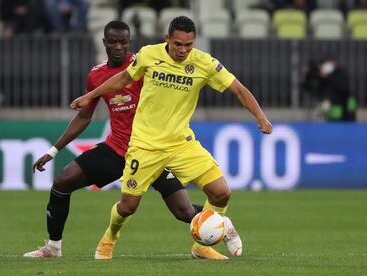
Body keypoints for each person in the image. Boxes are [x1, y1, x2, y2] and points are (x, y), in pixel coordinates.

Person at [70, 16, 273, 260]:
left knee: (221, 193)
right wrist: (90, 95)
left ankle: (200, 246)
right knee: (128, 207)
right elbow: (124, 79)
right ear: (167, 39)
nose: (183, 50)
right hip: (145, 145)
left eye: (188, 45)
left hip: (180, 144)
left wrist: (260, 117)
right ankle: (110, 238)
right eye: (178, 44)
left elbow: (238, 89)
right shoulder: (148, 55)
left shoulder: (205, 63)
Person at [23, 20, 227, 260]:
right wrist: (53, 150)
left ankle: (224, 226)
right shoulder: (97, 75)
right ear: (105, 44)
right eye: (113, 42)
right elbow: (84, 116)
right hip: (117, 149)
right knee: (62, 182)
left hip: (151, 149)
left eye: (123, 42)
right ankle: (52, 247)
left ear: (129, 43)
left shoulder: (145, 63)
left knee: (184, 212)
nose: (118, 47)